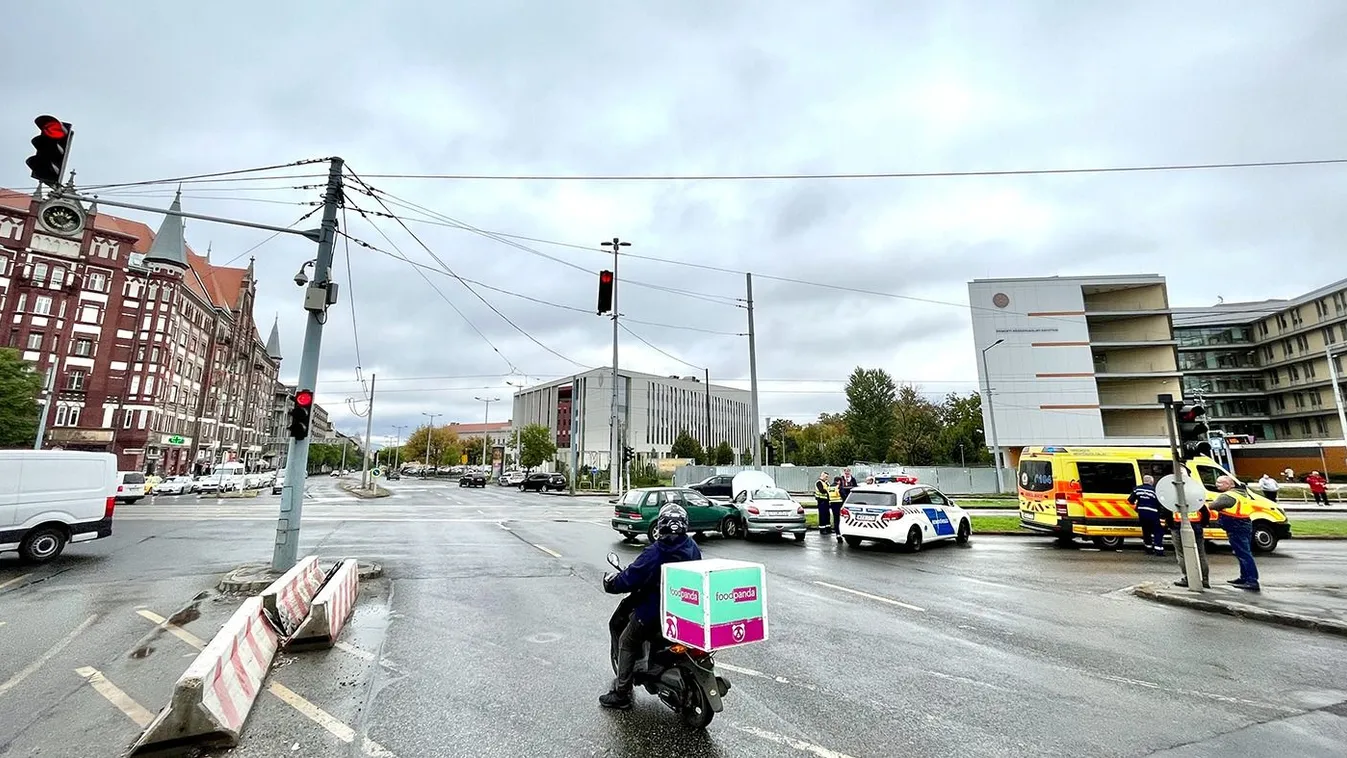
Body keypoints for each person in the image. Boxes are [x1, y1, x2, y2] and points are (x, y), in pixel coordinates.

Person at [599, 503, 702, 709]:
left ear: (661, 526)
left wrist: (611, 583)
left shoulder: (655, 552)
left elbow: (629, 578)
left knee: (627, 641)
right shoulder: (692, 547)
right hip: (684, 610)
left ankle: (622, 694)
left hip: (653, 613)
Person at [1210, 475, 1259, 591]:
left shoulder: (1227, 496)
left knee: (1244, 554)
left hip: (1236, 526)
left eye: (1220, 483)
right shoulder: (1241, 494)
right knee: (1242, 553)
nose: (1217, 485)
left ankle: (1251, 581)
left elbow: (1212, 506)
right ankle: (1244, 577)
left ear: (1229, 484)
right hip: (1244, 524)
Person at [1169, 488, 1211, 589]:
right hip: (1196, 526)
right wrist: (1202, 524)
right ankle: (1204, 579)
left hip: (1178, 526)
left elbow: (1165, 513)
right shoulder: (1195, 500)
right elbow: (1206, 514)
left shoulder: (1173, 501)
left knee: (1182, 554)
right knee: (1200, 553)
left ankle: (1189, 578)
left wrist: (1170, 525)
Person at [1128, 475, 1164, 556]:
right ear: (1151, 482)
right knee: (1158, 531)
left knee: (1146, 531)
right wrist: (1161, 514)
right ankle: (1159, 550)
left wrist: (1137, 506)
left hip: (1142, 513)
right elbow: (1160, 503)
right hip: (1153, 513)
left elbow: (1130, 500)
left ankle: (1148, 549)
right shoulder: (1155, 490)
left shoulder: (1137, 489)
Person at [834, 468, 859, 543]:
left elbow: (855, 487)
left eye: (848, 472)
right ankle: (839, 533)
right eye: (846, 472)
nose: (847, 473)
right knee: (838, 517)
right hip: (841, 499)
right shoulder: (841, 479)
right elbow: (838, 487)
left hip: (851, 499)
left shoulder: (853, 479)